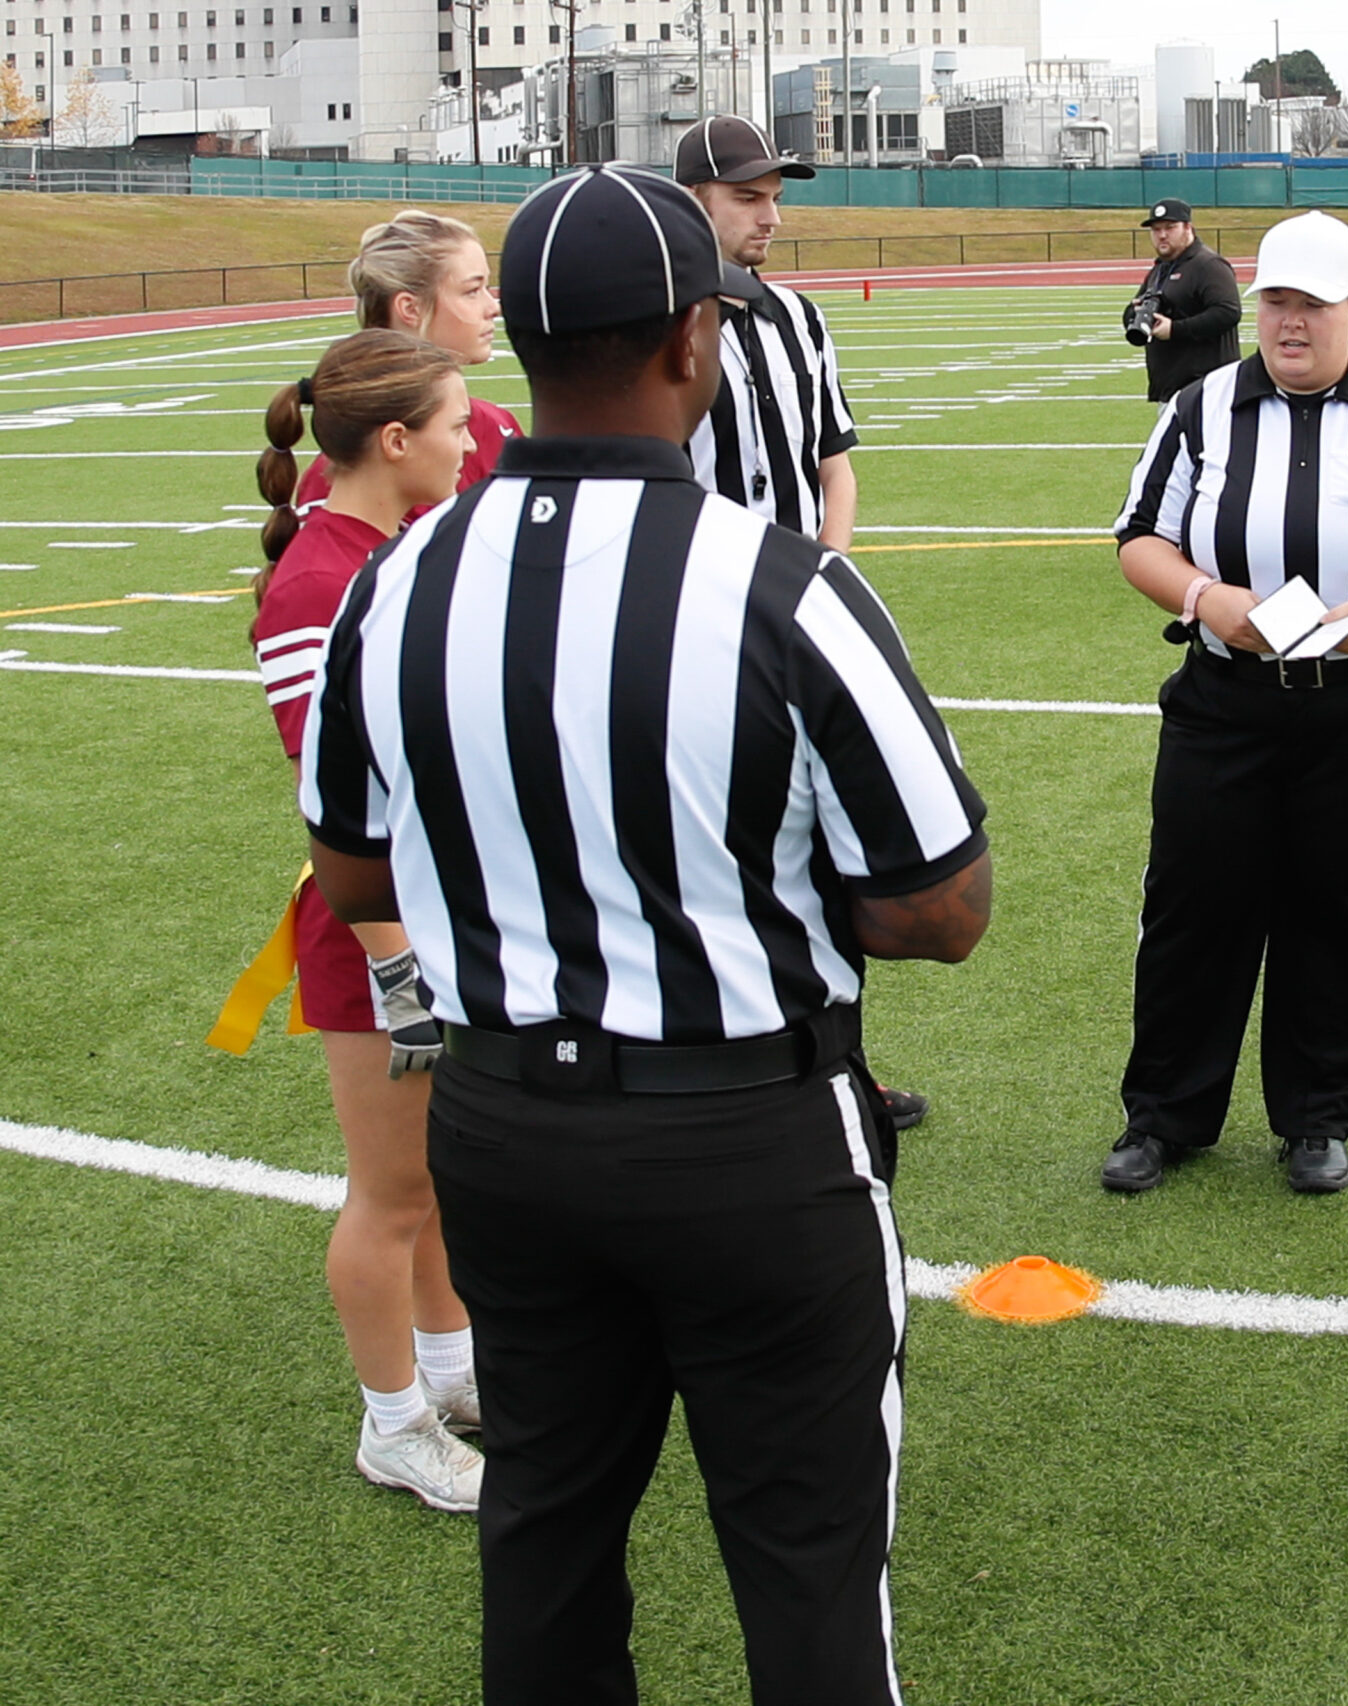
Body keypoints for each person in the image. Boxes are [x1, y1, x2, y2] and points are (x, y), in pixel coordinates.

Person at [299, 163, 991, 1706]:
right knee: (806, 1558)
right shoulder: (784, 582)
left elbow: (350, 873)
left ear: (523, 347)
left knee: (546, 1532)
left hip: (504, 1129)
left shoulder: (401, 577)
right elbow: (943, 908)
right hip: (752, 1136)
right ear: (695, 341)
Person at [1104, 210, 1348, 1196]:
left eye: (1313, 305)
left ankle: (1317, 1116)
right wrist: (1208, 600)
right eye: (1276, 300)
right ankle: (1165, 1114)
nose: (1290, 322)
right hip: (1226, 695)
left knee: (1343, 905)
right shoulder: (1200, 407)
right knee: (1195, 902)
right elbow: (1140, 536)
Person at [250, 327, 485, 1512]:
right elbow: (331, 797)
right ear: (394, 441)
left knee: (436, 1175)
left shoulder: (384, 549)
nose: (467, 441)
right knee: (389, 1189)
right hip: (374, 932)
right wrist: (398, 971)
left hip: (427, 918)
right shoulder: (317, 580)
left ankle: (452, 1377)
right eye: (451, 423)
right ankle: (392, 1424)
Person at [675, 113, 933, 1134]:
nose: (771, 214)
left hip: (791, 625)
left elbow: (834, 457)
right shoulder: (656, 321)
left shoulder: (796, 318)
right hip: (690, 629)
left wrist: (824, 570)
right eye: (748, 196)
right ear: (691, 198)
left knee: (827, 859)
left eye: (775, 195)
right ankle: (716, 1066)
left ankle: (842, 1065)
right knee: (709, 856)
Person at [295, 210, 520, 515]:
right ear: (410, 308)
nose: (492, 307)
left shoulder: (495, 426)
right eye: (471, 291)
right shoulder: (350, 473)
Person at [1125, 197, 1241, 403]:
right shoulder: (1160, 269)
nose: (1162, 235)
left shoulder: (1208, 265)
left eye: (1170, 228)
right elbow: (1131, 312)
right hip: (1171, 389)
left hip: (1206, 390)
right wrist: (1135, 314)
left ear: (1188, 228)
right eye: (1156, 229)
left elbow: (1228, 312)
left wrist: (1175, 329)